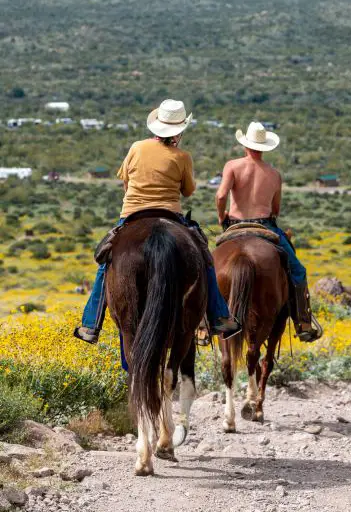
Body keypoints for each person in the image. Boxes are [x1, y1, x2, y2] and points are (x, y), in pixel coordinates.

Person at [74, 99, 240, 345]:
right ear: (179, 130)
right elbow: (188, 191)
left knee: (107, 262)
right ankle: (218, 316)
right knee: (204, 257)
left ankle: (90, 324)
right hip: (170, 215)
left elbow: (126, 183)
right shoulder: (182, 156)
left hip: (132, 214)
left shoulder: (136, 147)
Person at [215, 121, 322, 343]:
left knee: (209, 267)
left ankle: (204, 326)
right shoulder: (274, 174)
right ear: (264, 147)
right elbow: (276, 209)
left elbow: (220, 196)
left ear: (245, 145)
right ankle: (303, 322)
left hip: (235, 224)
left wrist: (221, 216)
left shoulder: (232, 166)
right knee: (298, 271)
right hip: (266, 225)